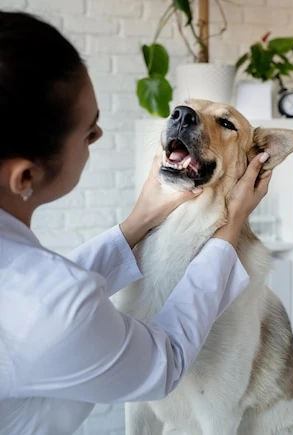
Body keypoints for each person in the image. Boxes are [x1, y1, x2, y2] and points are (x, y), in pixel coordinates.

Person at [0, 11, 272, 435]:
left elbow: (56, 289)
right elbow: (165, 364)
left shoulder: (26, 281)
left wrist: (141, 218)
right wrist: (231, 225)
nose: (99, 137)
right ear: (26, 177)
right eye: (89, 132)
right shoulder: (49, 312)